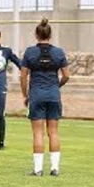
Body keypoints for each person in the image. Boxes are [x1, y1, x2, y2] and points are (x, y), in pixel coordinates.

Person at [20, 18, 70, 177]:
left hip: (36, 95)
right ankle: (54, 169)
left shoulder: (30, 52)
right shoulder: (59, 52)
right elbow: (66, 76)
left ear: (36, 35)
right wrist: (56, 86)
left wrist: (25, 95)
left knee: (37, 133)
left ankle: (38, 169)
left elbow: (23, 77)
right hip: (53, 95)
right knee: (53, 132)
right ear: (50, 35)